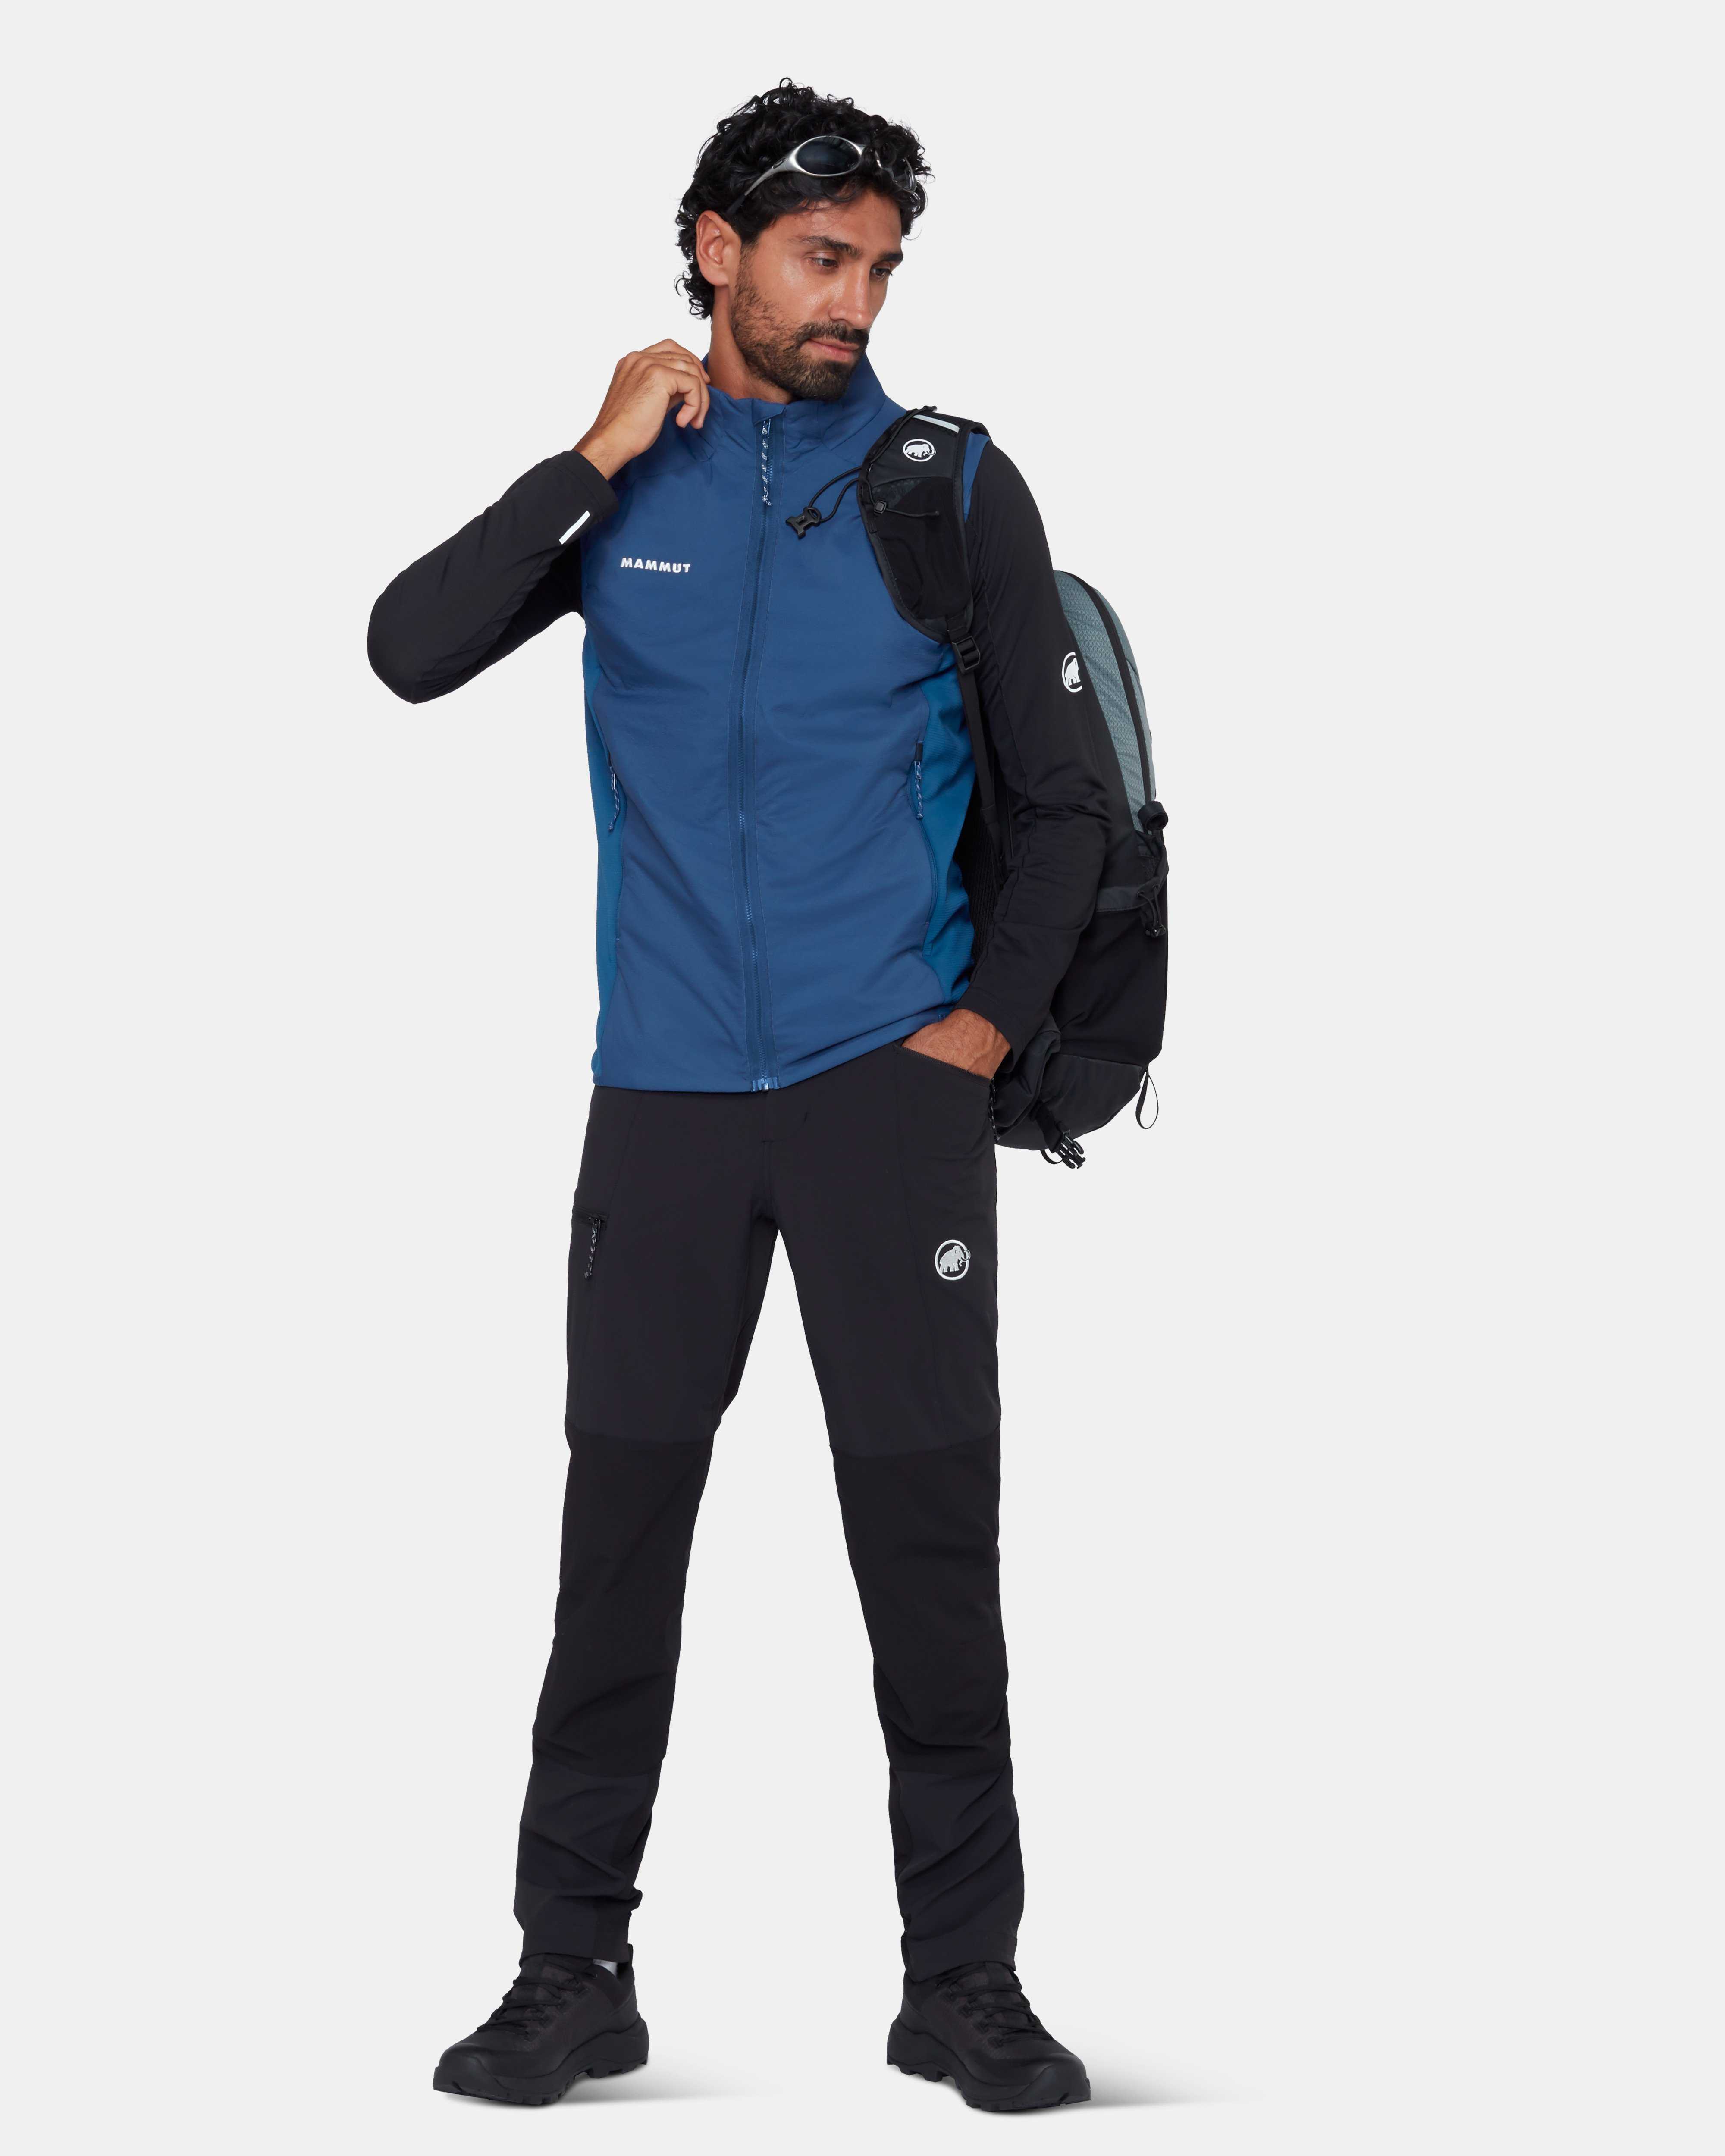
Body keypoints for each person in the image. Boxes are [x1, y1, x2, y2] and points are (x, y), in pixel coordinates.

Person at [368, 79, 1108, 2114]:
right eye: (818, 257)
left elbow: (1065, 804)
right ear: (716, 249)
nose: (853, 300)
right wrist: (587, 455)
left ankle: (964, 1978)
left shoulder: (948, 487)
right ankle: (568, 1969)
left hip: (889, 1094)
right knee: (618, 1538)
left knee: (927, 1546)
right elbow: (409, 647)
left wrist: (979, 1031)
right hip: (668, 1098)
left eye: (879, 267)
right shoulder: (624, 492)